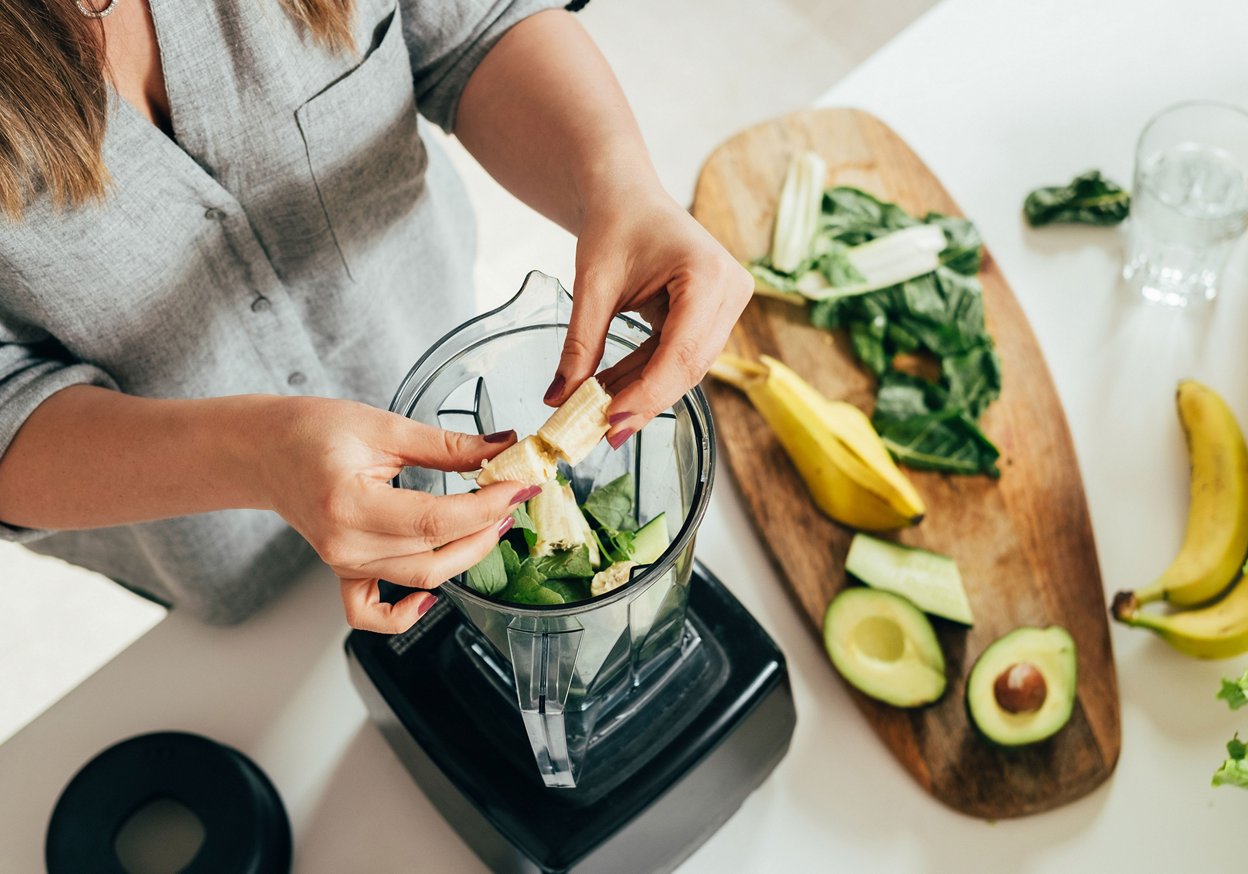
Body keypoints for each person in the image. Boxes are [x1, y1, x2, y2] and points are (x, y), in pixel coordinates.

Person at [0, 0, 751, 633]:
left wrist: (618, 182)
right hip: (206, 537)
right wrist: (256, 457)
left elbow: (472, 24)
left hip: (426, 352)